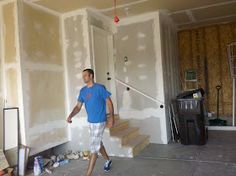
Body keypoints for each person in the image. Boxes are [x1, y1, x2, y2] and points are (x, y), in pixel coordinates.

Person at [67, 68, 114, 176]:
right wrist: (71, 115)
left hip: (100, 121)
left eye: (85, 75)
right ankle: (108, 160)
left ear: (91, 76)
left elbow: (109, 102)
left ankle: (88, 174)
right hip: (91, 122)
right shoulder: (83, 91)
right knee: (98, 143)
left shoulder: (100, 88)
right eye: (83, 76)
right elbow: (78, 107)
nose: (83, 77)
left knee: (93, 148)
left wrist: (111, 118)